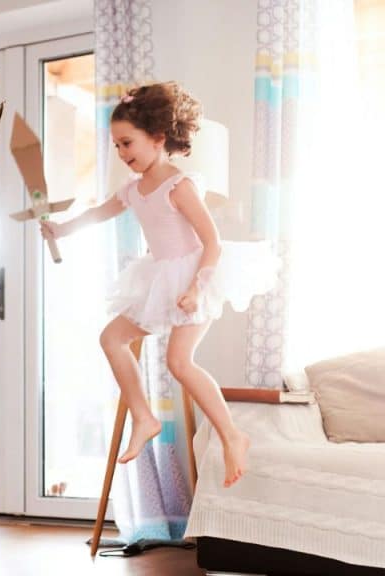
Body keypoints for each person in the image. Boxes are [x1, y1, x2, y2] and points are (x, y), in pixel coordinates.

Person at [40, 82, 278, 487]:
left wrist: (197, 288)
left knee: (179, 362)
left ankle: (232, 436)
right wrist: (61, 229)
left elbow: (212, 241)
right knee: (112, 339)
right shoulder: (133, 190)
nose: (122, 153)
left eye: (127, 143)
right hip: (159, 277)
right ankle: (143, 416)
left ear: (157, 137)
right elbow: (99, 213)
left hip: (195, 277)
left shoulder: (179, 186)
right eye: (116, 145)